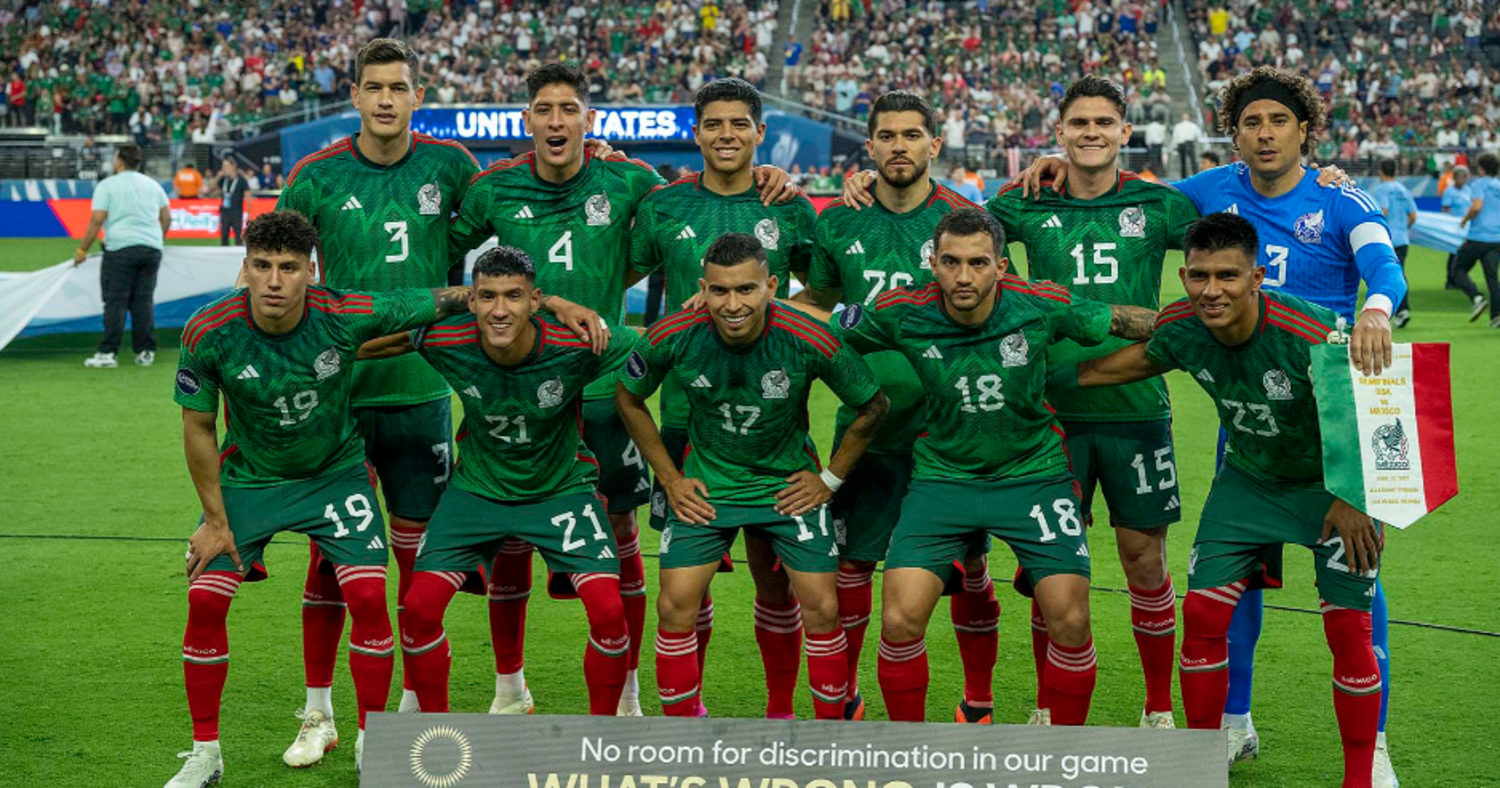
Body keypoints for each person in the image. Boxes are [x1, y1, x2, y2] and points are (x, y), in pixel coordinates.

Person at [276, 39, 601, 761]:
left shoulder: (452, 166)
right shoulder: (314, 176)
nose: (386, 99)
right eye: (373, 87)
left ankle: (410, 708)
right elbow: (271, 271)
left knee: (420, 563)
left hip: (424, 391)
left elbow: (521, 204)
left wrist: (589, 152)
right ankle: (317, 712)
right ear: (354, 96)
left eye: (398, 87)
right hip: (339, 396)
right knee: (331, 560)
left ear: (416, 96)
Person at [451, 63, 797, 717]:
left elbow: (666, 237)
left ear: (592, 119)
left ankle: (631, 691)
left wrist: (770, 178)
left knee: (618, 536)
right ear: (527, 119)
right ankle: (508, 688)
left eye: (570, 109)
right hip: (516, 392)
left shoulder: (633, 181)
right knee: (509, 539)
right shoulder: (490, 187)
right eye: (545, 109)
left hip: (606, 391)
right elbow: (448, 256)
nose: (557, 121)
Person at [808, 208, 1158, 725]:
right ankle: (912, 752)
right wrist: (747, 306)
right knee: (901, 619)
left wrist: (1203, 318)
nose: (964, 276)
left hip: (1033, 476)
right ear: (932, 262)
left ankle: (1062, 755)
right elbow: (821, 333)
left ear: (1000, 264)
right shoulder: (900, 310)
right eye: (951, 262)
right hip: (941, 481)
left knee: (1070, 619)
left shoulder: (1038, 303)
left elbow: (1122, 319)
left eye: (977, 263)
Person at [1071, 212, 1384, 788]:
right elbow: (1141, 360)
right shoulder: (1182, 326)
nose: (1210, 290)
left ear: (1257, 276)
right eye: (1197, 276)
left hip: (1333, 489)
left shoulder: (1313, 332)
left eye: (1226, 276)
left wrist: (1354, 497)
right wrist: (1061, 380)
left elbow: (1378, 412)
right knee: (1203, 613)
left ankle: (1362, 777)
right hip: (1247, 482)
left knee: (1348, 632)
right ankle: (1199, 766)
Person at [163, 211, 474, 788]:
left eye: (288, 268)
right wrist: (213, 520)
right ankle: (206, 753)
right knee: (205, 601)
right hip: (251, 480)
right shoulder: (209, 330)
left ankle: (370, 739)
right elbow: (198, 427)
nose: (274, 281)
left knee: (367, 596)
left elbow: (432, 300)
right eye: (261, 266)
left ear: (311, 270)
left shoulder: (343, 312)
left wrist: (536, 300)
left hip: (335, 476)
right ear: (246, 267)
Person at [987, 75, 1198, 730]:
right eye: (1078, 123)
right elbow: (954, 239)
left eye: (1103, 123)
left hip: (1137, 410)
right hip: (1048, 416)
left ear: (1124, 133)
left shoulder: (1161, 206)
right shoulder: (1025, 203)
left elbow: (1227, 249)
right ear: (1059, 132)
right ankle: (1050, 704)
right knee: (1049, 567)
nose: (1090, 133)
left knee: (1145, 561)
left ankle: (1158, 709)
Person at [616, 232, 889, 720]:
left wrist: (828, 480)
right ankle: (684, 732)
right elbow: (628, 397)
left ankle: (792, 720)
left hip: (786, 488)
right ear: (703, 288)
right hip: (708, 488)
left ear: (772, 286)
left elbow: (873, 404)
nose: (732, 303)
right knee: (675, 605)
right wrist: (672, 479)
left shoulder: (808, 335)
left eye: (747, 289)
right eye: (719, 291)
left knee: (822, 608)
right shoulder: (672, 333)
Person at [366, 246, 640, 716]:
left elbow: (658, 346)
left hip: (562, 490)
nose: (499, 310)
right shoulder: (445, 339)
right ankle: (433, 733)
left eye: (513, 296)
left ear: (534, 300)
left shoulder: (576, 341)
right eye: (486, 296)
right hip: (477, 492)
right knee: (420, 607)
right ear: (470, 301)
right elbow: (364, 344)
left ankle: (606, 733)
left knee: (610, 611)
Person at [799, 90, 998, 724]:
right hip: (866, 425)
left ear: (934, 144)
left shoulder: (967, 219)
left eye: (913, 134)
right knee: (853, 564)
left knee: (969, 565)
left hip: (951, 429)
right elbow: (819, 298)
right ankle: (848, 699)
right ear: (871, 145)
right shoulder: (838, 219)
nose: (899, 146)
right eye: (886, 135)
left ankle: (979, 702)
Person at [627, 77, 818, 719]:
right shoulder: (664, 206)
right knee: (690, 582)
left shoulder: (790, 208)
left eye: (740, 124)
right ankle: (692, 714)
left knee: (774, 575)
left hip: (773, 423)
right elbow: (611, 270)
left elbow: (826, 296)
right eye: (714, 124)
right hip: (685, 422)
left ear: (760, 132)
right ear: (697, 130)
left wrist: (774, 309)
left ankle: (782, 712)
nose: (727, 135)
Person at [75, 142, 171, 369]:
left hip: (120, 248)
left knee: (115, 301)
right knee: (143, 300)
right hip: (151, 249)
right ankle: (145, 351)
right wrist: (156, 238)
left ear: (118, 160)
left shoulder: (107, 186)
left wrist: (82, 249)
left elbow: (97, 219)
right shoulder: (153, 185)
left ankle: (108, 352)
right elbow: (166, 218)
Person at [1454, 151, 1500, 327]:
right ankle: (1496, 317)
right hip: (1496, 239)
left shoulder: (1478, 184)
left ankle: (1476, 297)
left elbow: (1476, 206)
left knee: (1458, 270)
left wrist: (1465, 219)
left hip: (1477, 237)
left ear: (1481, 169)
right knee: (1492, 278)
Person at [1371, 159, 1417, 327]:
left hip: (1387, 240)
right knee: (1399, 273)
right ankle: (1402, 310)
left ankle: (1395, 310)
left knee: (1384, 275)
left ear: (1381, 171)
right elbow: (1413, 215)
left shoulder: (1381, 190)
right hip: (1402, 239)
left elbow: (1384, 210)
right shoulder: (1404, 190)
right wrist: (1404, 229)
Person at [1440, 165, 1472, 291]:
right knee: (1453, 253)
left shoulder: (1468, 190)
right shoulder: (1449, 191)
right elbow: (1445, 209)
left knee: (1463, 254)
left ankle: (1459, 278)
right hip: (1454, 226)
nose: (1461, 180)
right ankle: (1450, 280)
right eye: (1459, 177)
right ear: (1454, 178)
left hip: (1467, 225)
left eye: (1463, 177)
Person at [216, 159, 249, 247]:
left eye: (226, 166)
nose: (224, 168)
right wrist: (218, 177)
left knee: (238, 236)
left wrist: (249, 213)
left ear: (233, 166)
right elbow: (210, 188)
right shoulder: (223, 180)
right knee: (224, 236)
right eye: (223, 166)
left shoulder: (242, 180)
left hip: (236, 212)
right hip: (225, 211)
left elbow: (248, 197)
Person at [1172, 112, 1203, 179]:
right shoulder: (1193, 125)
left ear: (1182, 118)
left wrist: (1174, 147)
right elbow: (1198, 135)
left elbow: (1175, 138)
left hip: (1181, 145)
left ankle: (1183, 177)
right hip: (1190, 143)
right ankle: (1196, 175)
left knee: (1183, 162)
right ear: (1188, 118)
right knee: (1193, 161)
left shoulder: (1178, 126)